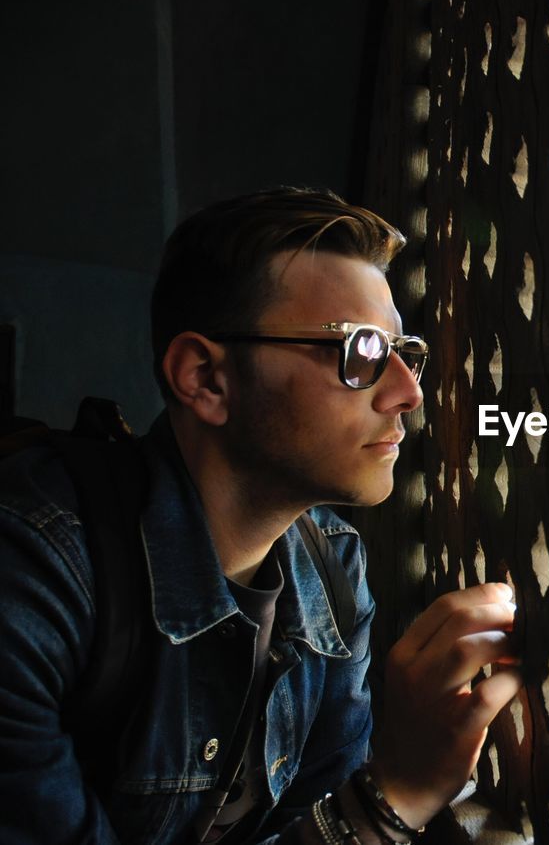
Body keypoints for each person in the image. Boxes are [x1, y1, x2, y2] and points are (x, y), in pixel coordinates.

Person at [0, 188, 521, 844]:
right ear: (205, 379)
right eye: (359, 352)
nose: (408, 392)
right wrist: (395, 795)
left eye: (403, 352)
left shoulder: (333, 570)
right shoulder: (34, 570)